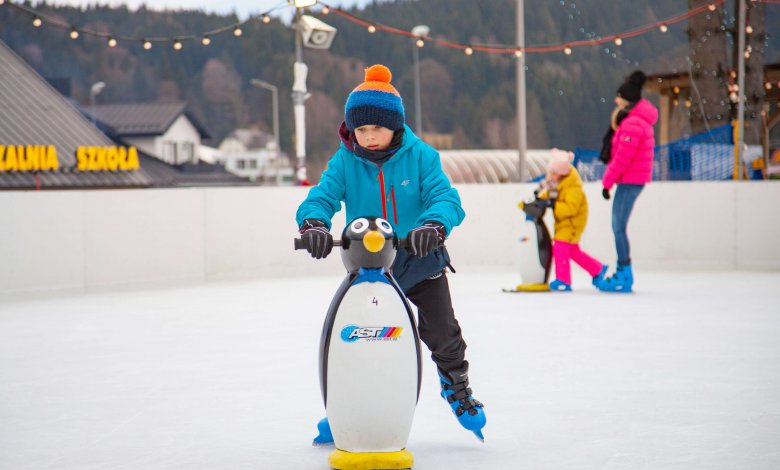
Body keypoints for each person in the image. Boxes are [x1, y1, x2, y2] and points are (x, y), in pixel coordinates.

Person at [296, 64, 486, 440]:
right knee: (355, 339)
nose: (367, 137)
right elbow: (322, 196)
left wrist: (433, 225)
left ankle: (456, 386)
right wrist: (314, 224)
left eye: (376, 129)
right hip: (370, 265)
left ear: (395, 126)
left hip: (420, 258)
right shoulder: (345, 160)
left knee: (443, 332)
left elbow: (446, 198)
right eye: (360, 129)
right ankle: (347, 409)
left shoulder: (422, 157)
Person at [599, 70, 658, 293]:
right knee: (619, 227)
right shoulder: (635, 121)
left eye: (619, 96)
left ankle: (624, 274)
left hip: (630, 181)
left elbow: (623, 157)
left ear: (627, 99)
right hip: (632, 180)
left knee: (618, 226)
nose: (616, 100)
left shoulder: (633, 124)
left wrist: (607, 182)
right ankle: (623, 272)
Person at [538, 149, 608, 292]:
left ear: (562, 173)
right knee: (573, 251)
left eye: (553, 172)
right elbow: (549, 194)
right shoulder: (558, 182)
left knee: (560, 246)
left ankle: (563, 280)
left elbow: (571, 208)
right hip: (564, 222)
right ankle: (597, 268)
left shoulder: (573, 186)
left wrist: (554, 205)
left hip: (572, 223)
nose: (551, 175)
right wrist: (540, 199)